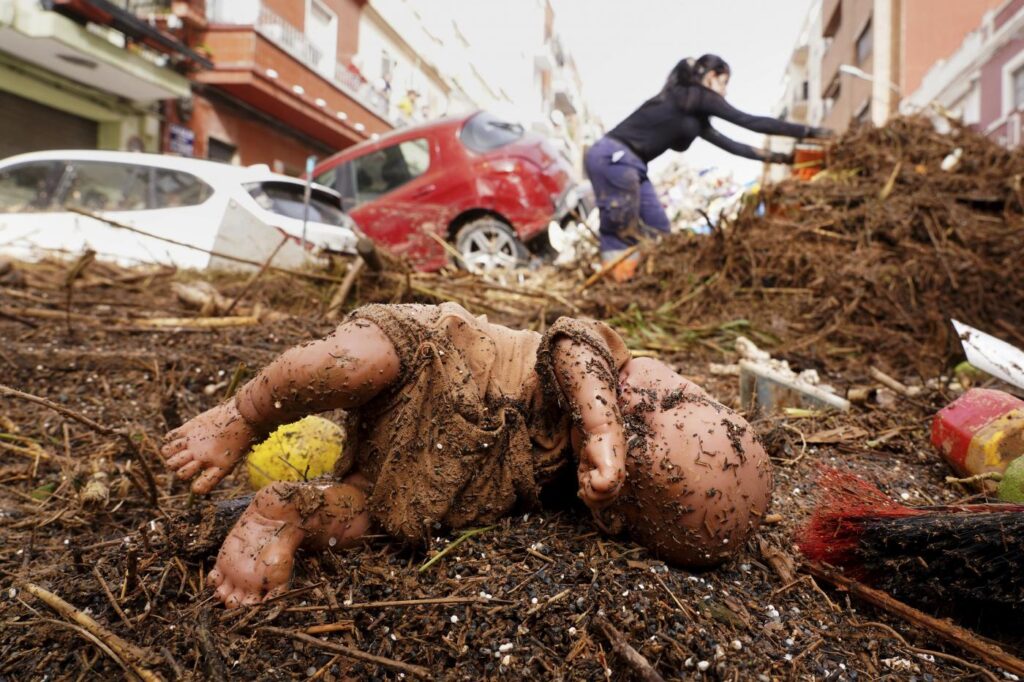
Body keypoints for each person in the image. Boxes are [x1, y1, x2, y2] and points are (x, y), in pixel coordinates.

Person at [161, 303, 772, 608]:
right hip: (430, 355)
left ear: (612, 512)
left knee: (372, 517)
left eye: (648, 417)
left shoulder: (573, 490)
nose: (654, 390)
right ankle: (241, 415)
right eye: (678, 395)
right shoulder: (598, 371)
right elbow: (570, 338)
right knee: (346, 362)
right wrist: (603, 420)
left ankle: (285, 512)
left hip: (428, 472)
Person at [585, 54, 833, 280]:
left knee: (658, 228)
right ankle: (616, 286)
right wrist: (809, 132)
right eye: (724, 83)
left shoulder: (694, 114)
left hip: (634, 164)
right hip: (613, 155)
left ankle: (642, 281)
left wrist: (782, 158)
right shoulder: (691, 95)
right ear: (711, 77)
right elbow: (749, 121)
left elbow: (733, 145)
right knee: (620, 226)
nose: (724, 93)